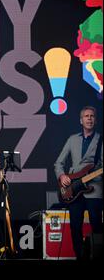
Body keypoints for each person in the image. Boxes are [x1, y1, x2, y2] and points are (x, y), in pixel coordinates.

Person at [54, 105, 103, 259]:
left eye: (92, 116)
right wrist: (62, 176)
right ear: (81, 120)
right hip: (73, 189)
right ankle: (80, 257)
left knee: (97, 227)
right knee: (75, 227)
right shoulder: (72, 139)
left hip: (94, 188)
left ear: (95, 120)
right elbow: (58, 163)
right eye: (86, 116)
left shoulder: (101, 140)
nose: (89, 118)